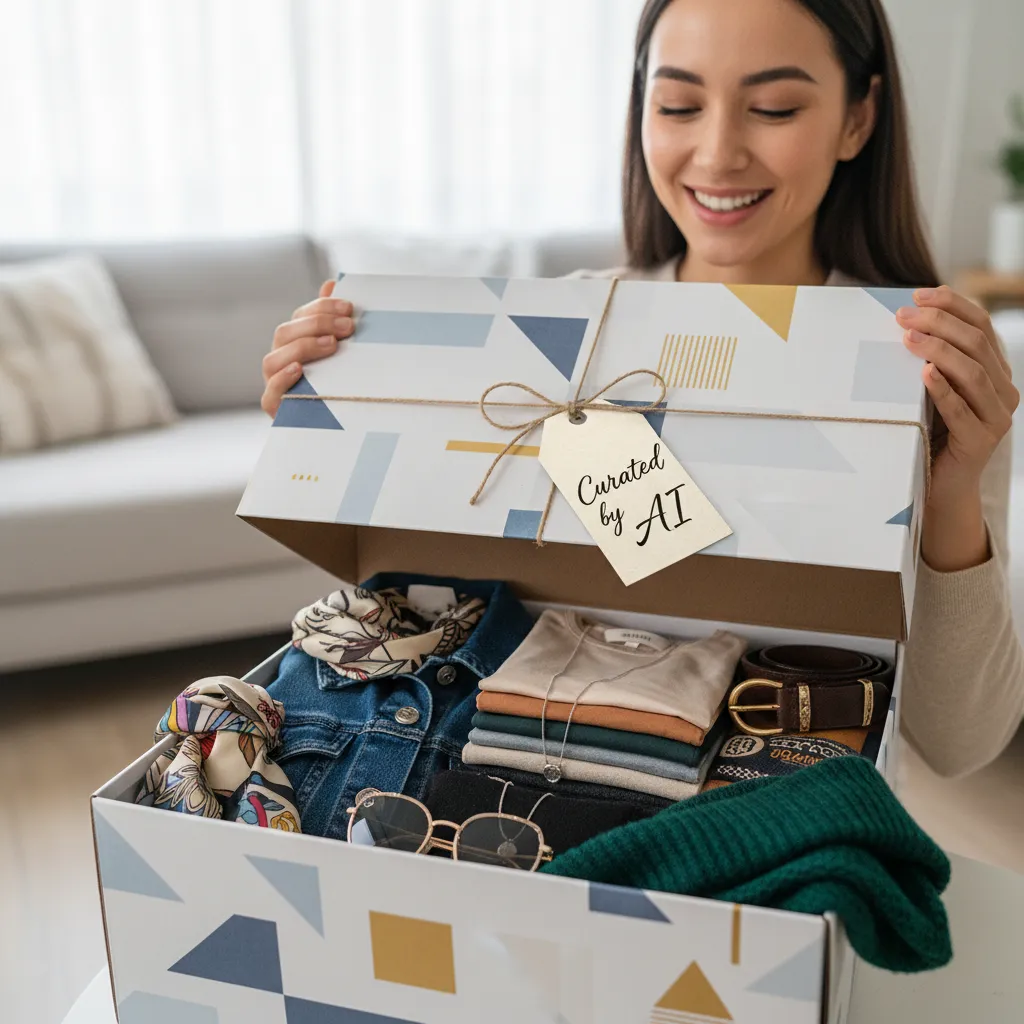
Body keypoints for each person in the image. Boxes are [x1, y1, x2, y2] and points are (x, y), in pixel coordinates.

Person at [259, 0, 1023, 778]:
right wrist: (330, 429)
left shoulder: (926, 368)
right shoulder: (547, 340)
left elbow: (960, 745)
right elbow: (423, 610)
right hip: (528, 789)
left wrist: (951, 497)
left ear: (858, 120)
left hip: (789, 810)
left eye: (773, 108)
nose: (718, 153)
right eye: (678, 105)